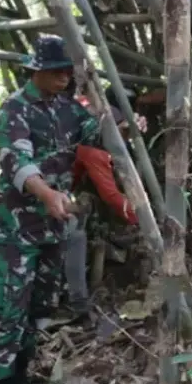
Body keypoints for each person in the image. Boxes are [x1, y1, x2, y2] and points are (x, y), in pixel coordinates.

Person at [0, 36, 101, 384]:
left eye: (66, 72)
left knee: (40, 307)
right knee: (8, 311)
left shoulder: (67, 107)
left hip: (51, 226)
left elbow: (94, 132)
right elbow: (16, 161)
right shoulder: (14, 109)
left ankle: (19, 377)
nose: (63, 77)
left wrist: (122, 125)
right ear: (36, 72)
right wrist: (45, 193)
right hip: (17, 228)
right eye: (55, 71)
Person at [62, 104, 140, 321]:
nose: (125, 138)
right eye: (122, 132)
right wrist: (141, 219)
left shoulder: (95, 149)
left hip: (63, 200)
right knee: (76, 237)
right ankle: (78, 303)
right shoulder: (93, 152)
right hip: (57, 204)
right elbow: (111, 196)